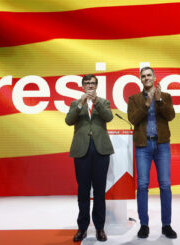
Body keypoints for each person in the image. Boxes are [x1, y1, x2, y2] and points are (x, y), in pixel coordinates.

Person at [127, 67, 177, 239]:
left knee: (165, 185)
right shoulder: (134, 99)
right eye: (143, 76)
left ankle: (166, 225)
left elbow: (170, 116)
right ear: (140, 79)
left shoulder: (166, 96)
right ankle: (144, 225)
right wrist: (147, 104)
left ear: (154, 77)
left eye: (149, 75)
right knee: (142, 186)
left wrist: (159, 100)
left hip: (162, 145)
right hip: (143, 146)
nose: (146, 78)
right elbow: (133, 119)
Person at [65, 74, 114, 242]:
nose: (90, 85)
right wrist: (81, 104)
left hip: (100, 150)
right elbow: (69, 121)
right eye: (87, 83)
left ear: (96, 85)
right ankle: (82, 228)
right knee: (83, 191)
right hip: (82, 150)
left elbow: (109, 117)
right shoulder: (75, 104)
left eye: (93, 83)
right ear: (82, 86)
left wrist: (96, 101)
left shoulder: (104, 102)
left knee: (100, 191)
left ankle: (100, 228)